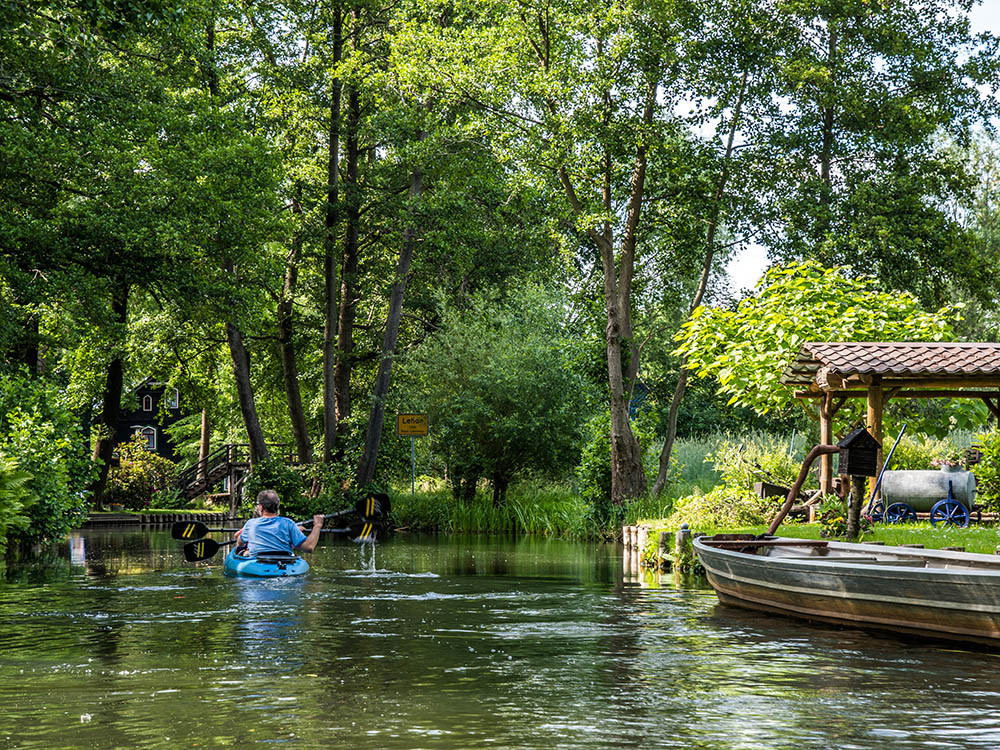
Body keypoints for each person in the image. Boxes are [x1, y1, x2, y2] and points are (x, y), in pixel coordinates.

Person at [234, 489, 324, 556]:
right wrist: (317, 526)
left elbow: (240, 542)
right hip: (284, 565)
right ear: (277, 507)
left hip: (258, 564)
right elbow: (309, 547)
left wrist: (239, 546)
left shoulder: (251, 524)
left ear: (261, 507)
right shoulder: (288, 523)